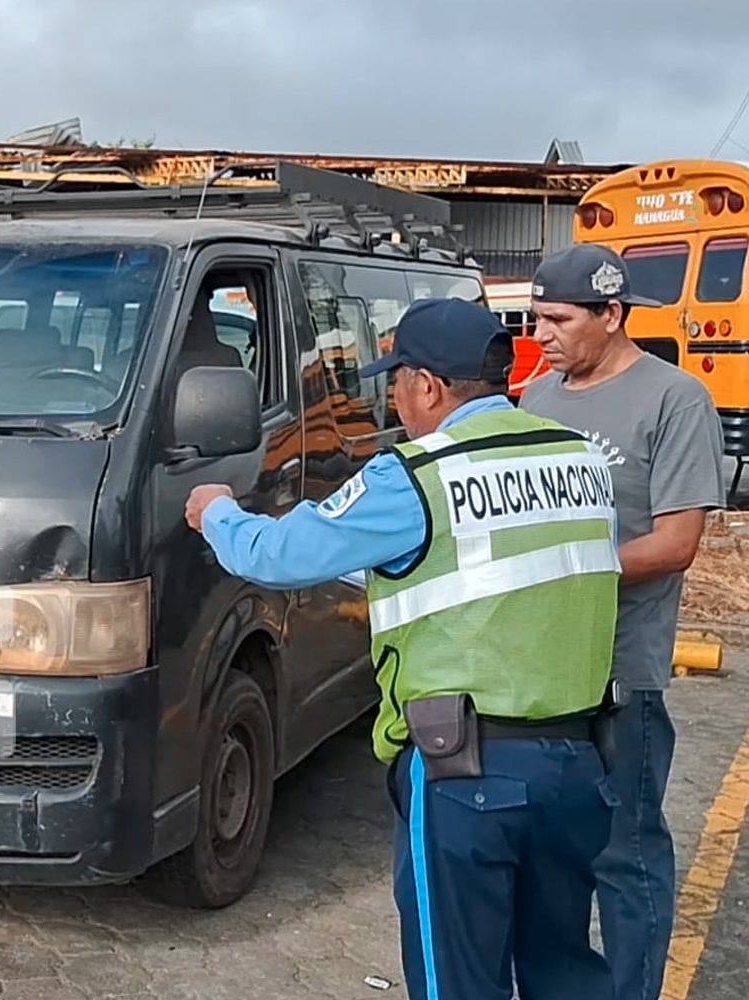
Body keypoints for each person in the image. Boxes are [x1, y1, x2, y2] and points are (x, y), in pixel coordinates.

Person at [184, 296, 624, 1000]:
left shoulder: (417, 474)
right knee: (562, 970)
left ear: (428, 386)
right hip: (576, 769)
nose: (393, 399)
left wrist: (217, 512)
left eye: (396, 382)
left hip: (467, 777)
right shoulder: (578, 459)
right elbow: (479, 563)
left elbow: (276, 554)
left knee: (456, 981)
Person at [519, 242, 727, 1000]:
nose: (540, 335)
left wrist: (569, 571)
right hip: (539, 674)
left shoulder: (675, 400)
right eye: (533, 317)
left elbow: (676, 545)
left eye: (557, 319)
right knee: (550, 851)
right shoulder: (537, 400)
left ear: (611, 315)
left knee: (624, 852)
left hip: (620, 672)